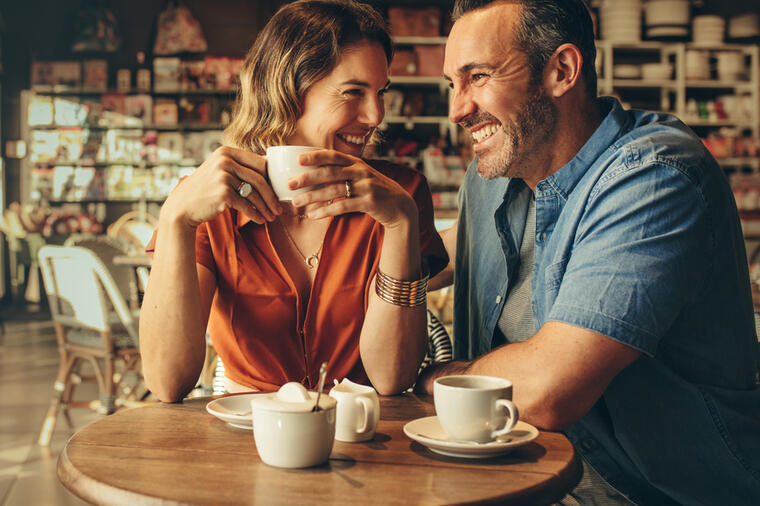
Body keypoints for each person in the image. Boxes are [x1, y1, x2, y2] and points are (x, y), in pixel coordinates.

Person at [419, 1, 760, 504]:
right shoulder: (494, 174)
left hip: (648, 495)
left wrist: (432, 376)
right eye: (454, 83)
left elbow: (547, 389)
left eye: (479, 77)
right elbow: (450, 251)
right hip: (524, 479)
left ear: (561, 71)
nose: (458, 109)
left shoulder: (655, 177)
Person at [140, 0, 447, 401]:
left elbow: (391, 377)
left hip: (366, 443)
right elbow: (166, 382)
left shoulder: (400, 195)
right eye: (353, 92)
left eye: (380, 92)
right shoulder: (210, 201)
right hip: (246, 437)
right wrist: (177, 218)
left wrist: (401, 222)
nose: (376, 115)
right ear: (287, 89)